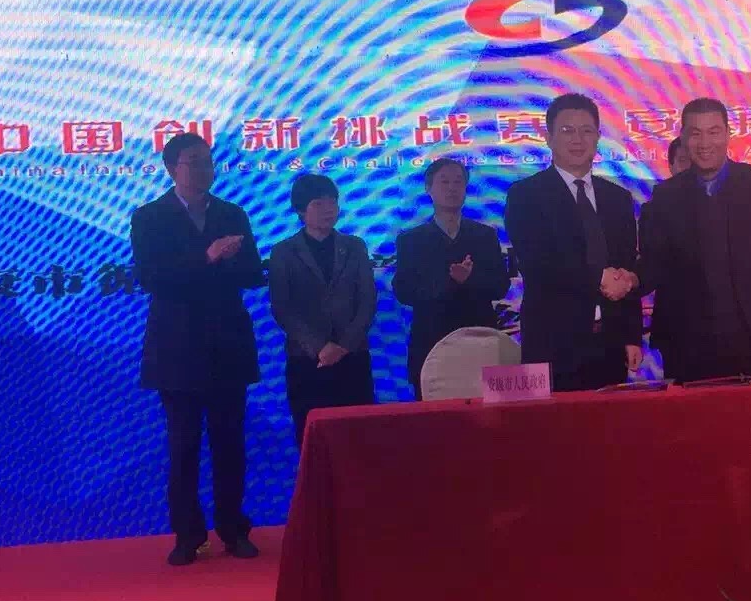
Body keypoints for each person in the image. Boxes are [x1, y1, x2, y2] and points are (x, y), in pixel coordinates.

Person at [129, 132, 263, 566]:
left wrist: (231, 258)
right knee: (183, 445)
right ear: (172, 168)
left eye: (208, 161)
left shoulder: (231, 213)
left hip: (228, 345)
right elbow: (151, 278)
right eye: (194, 161)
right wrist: (207, 257)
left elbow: (252, 274)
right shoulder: (149, 217)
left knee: (230, 444)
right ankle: (187, 535)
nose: (205, 169)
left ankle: (233, 529)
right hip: (177, 348)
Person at [634, 97, 751, 382]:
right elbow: (654, 264)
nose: (705, 142)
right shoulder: (666, 196)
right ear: (683, 137)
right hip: (690, 347)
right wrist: (628, 280)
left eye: (714, 132)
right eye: (695, 133)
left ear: (728, 134)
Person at [504, 93, 642, 391]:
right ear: (548, 138)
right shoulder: (526, 195)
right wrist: (598, 278)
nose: (578, 139)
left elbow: (625, 266)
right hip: (553, 345)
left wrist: (632, 335)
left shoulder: (618, 198)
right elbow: (538, 265)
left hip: (609, 345)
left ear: (598, 137)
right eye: (567, 130)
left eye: (586, 130)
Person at [268, 174, 378, 447]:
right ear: (300, 210)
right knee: (313, 441)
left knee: (359, 439)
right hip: (306, 359)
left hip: (352, 356)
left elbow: (367, 301)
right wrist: (319, 347)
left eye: (333, 202)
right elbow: (282, 307)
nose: (329, 209)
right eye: (318, 203)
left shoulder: (355, 246)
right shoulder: (283, 252)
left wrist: (344, 346)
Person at [393, 158, 511, 399]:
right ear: (428, 188)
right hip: (431, 341)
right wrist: (449, 281)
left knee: (488, 416)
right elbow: (403, 290)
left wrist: (469, 279)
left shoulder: (484, 235)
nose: (452, 188)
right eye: (444, 182)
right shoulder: (411, 240)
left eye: (458, 182)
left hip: (480, 341)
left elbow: (501, 285)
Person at [641, 135, 691, 380]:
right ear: (671, 166)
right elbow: (649, 265)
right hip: (676, 325)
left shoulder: (728, 205)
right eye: (683, 161)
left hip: (727, 328)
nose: (689, 167)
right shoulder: (653, 209)